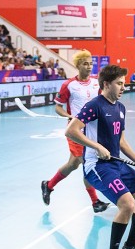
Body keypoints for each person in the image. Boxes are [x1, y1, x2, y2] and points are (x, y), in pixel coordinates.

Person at [65, 64, 135, 249]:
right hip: (97, 165)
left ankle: (131, 244)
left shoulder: (120, 107)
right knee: (127, 204)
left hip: (117, 163)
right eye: (119, 83)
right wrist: (96, 146)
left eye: (124, 83)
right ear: (106, 84)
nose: (123, 87)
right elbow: (71, 130)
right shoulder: (94, 105)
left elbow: (121, 141)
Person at [41, 49, 109, 212]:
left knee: (73, 164)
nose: (89, 66)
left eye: (91, 63)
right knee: (86, 162)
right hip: (75, 131)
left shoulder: (96, 83)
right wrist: (69, 116)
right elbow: (58, 107)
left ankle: (48, 185)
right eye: (85, 64)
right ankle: (95, 202)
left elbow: (102, 102)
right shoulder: (69, 85)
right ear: (78, 65)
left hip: (92, 130)